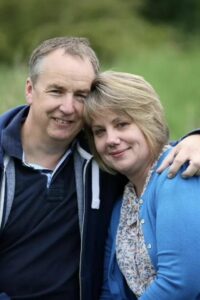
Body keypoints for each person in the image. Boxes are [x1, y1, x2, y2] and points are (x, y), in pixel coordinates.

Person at [0, 37, 199, 300]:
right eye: (56, 91)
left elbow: (150, 149)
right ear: (30, 89)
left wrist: (195, 138)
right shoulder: (107, 160)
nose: (68, 107)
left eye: (81, 95)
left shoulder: (103, 158)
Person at [84, 70, 200, 299]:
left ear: (149, 120)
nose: (111, 139)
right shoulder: (122, 204)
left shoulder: (176, 178)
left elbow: (181, 284)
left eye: (122, 124)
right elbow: (111, 289)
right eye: (100, 131)